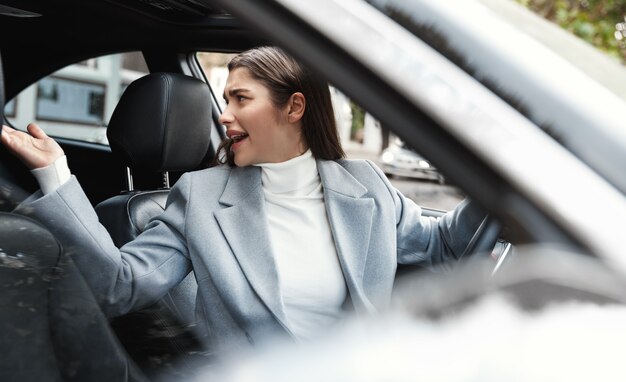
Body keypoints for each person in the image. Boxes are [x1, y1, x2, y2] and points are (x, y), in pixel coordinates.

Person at [1, 46, 486, 359]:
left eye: (240, 100)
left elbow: (443, 244)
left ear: (293, 108)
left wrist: (496, 176)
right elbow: (119, 286)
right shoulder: (201, 197)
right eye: (225, 99)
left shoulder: (367, 185)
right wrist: (55, 175)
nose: (224, 116)